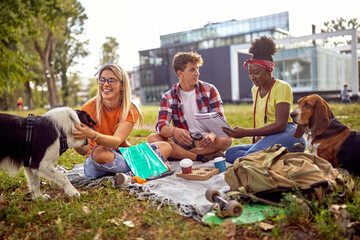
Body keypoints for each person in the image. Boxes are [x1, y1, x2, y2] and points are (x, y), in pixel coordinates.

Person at [73, 63, 172, 178]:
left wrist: (93, 134)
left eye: (111, 80)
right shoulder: (88, 109)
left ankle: (128, 173)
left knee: (165, 147)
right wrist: (76, 140)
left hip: (122, 155)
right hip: (96, 161)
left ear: (122, 85)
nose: (105, 84)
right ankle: (144, 169)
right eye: (102, 80)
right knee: (99, 153)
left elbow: (116, 141)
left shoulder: (129, 109)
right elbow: (84, 151)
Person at [222, 36, 306, 164]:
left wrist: (246, 132)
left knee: (251, 156)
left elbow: (280, 125)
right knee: (230, 153)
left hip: (289, 133)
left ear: (269, 70)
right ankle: (278, 158)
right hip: (270, 138)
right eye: (249, 73)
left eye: (256, 72)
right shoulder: (255, 90)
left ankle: (272, 156)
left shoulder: (282, 87)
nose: (252, 77)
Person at [147, 51, 233, 162]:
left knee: (226, 138)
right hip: (184, 142)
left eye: (197, 69)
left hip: (207, 141)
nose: (197, 73)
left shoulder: (210, 90)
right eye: (192, 69)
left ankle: (184, 155)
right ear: (180, 73)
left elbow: (221, 122)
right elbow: (160, 126)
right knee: (152, 138)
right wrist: (174, 131)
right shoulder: (168, 96)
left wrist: (212, 136)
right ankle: (199, 157)